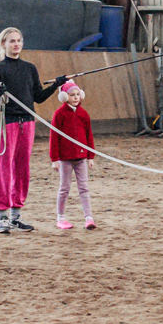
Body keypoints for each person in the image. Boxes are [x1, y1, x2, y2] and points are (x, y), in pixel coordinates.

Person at [0, 27, 65, 233]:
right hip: (6, 123)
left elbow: (37, 96)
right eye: (12, 41)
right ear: (4, 44)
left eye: (19, 40)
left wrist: (56, 85)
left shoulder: (29, 69)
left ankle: (15, 214)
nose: (16, 44)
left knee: (22, 169)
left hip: (26, 123)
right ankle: (2, 216)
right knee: (3, 168)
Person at [48, 80, 97, 231]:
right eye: (72, 95)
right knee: (64, 188)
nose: (76, 98)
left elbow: (89, 135)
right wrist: (55, 159)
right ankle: (60, 217)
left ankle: (88, 217)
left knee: (84, 187)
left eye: (77, 95)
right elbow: (54, 137)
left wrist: (90, 155)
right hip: (65, 159)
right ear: (64, 96)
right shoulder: (59, 114)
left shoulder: (83, 114)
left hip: (81, 158)